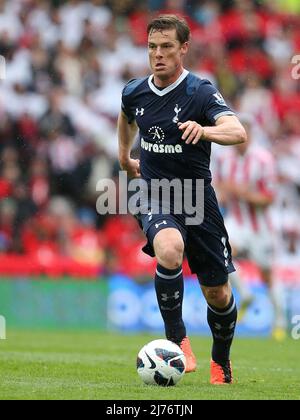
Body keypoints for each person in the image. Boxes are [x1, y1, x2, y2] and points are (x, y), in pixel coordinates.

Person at [118, 15, 247, 385]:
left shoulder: (201, 92)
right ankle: (177, 341)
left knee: (218, 293)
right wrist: (124, 157)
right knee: (169, 247)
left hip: (197, 197)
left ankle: (220, 361)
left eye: (167, 47)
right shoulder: (134, 91)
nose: (157, 55)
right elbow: (125, 117)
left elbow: (236, 130)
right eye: (152, 47)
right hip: (152, 191)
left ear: (183, 49)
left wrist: (204, 129)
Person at [213, 115, 287, 341]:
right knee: (221, 251)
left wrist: (245, 194)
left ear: (249, 135)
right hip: (236, 221)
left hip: (261, 227)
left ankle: (280, 322)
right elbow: (220, 189)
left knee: (268, 275)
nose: (239, 141)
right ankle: (244, 294)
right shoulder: (225, 159)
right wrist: (225, 192)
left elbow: (270, 197)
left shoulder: (263, 159)